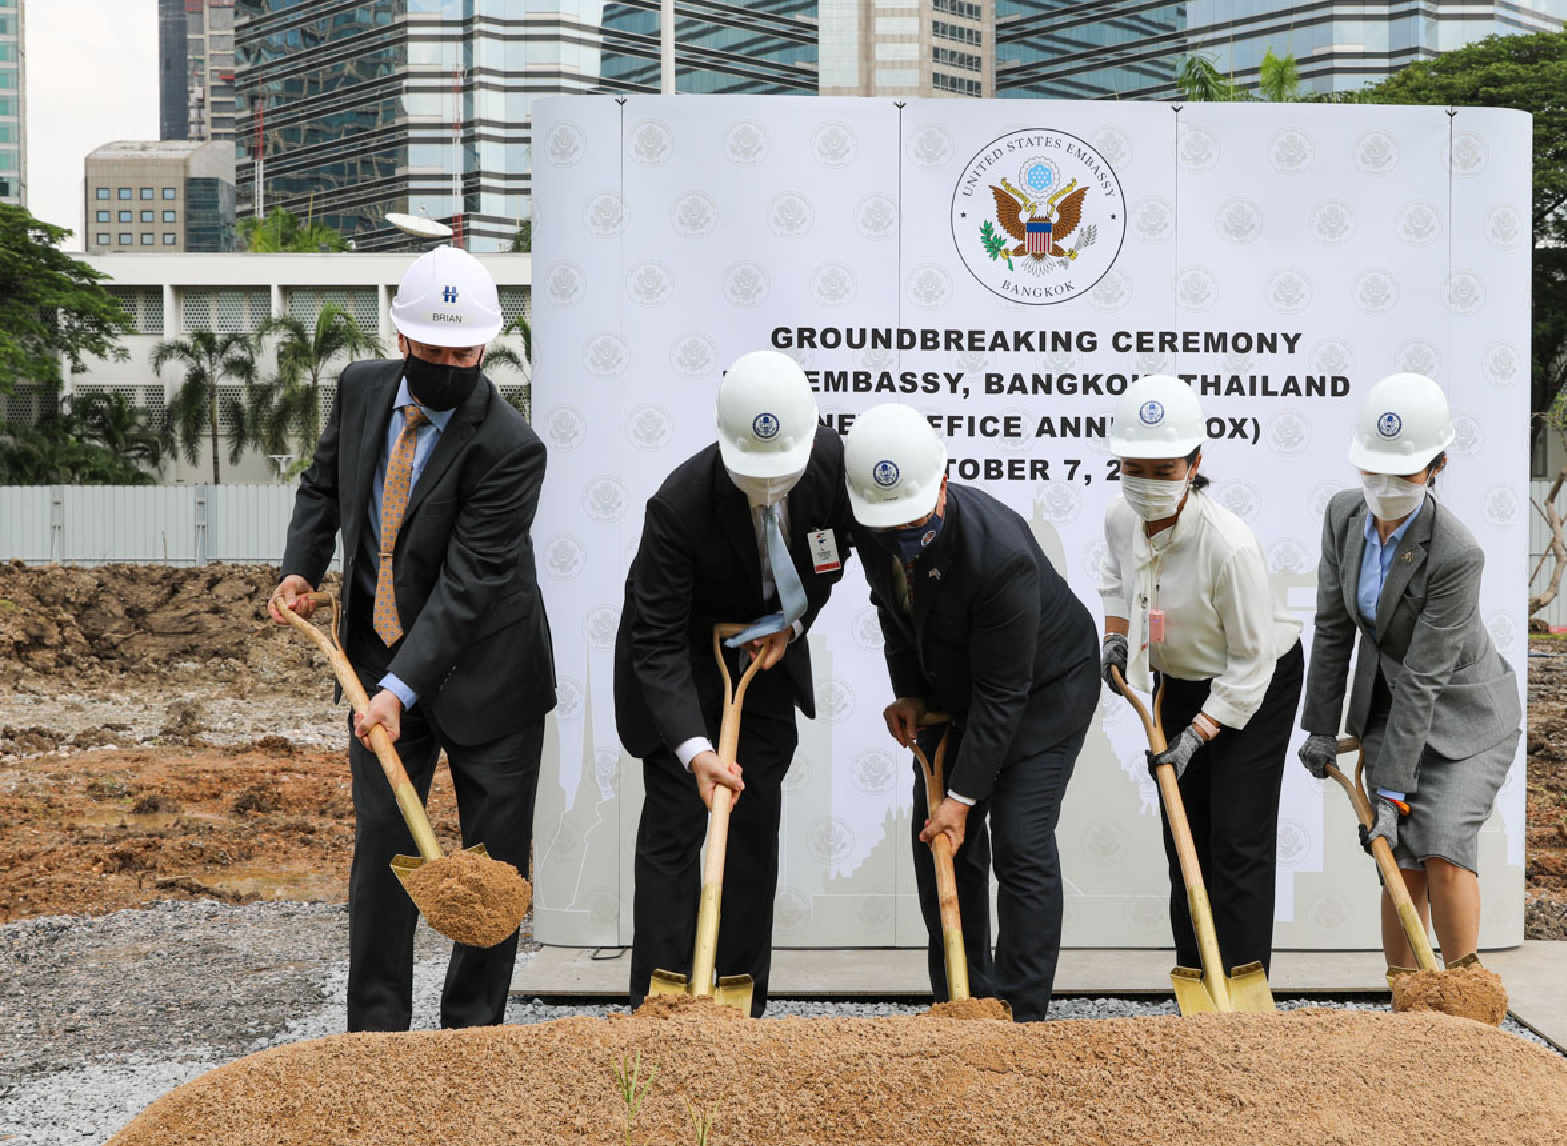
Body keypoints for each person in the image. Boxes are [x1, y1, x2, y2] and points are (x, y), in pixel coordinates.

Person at [266, 246, 556, 1033]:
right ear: (403, 341)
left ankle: (470, 1035)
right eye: (434, 352)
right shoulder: (361, 391)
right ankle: (378, 1033)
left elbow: (469, 584)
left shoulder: (510, 447)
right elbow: (324, 484)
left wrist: (401, 690)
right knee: (385, 845)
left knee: (492, 865)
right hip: (375, 658)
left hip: (489, 672)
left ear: (486, 348)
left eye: (465, 354)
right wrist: (302, 567)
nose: (450, 367)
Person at [612, 349, 853, 1015]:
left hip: (766, 663)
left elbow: (836, 553)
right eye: (756, 477)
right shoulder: (679, 505)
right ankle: (660, 1004)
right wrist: (696, 750)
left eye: (785, 474)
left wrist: (793, 624)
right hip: (682, 666)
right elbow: (654, 640)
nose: (772, 487)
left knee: (752, 830)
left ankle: (740, 1001)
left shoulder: (830, 462)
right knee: (674, 830)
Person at [844, 403, 1097, 1021]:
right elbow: (895, 611)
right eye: (890, 525)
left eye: (914, 520)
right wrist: (909, 691)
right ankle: (962, 1003)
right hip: (954, 695)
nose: (902, 535)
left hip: (1044, 694)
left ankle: (1020, 1015)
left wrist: (960, 797)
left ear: (944, 482)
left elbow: (1004, 695)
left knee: (1019, 840)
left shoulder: (999, 555)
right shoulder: (874, 526)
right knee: (939, 843)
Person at [1297, 372, 1523, 980]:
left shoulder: (1455, 551)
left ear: (1439, 465)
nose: (1386, 486)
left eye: (1406, 473)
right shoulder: (1344, 516)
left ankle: (1468, 1000)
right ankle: (1410, 1005)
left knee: (1443, 847)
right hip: (1386, 707)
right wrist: (1319, 727)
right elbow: (1332, 628)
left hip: (1466, 718)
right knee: (1400, 860)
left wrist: (1391, 791)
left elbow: (1425, 677)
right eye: (1373, 471)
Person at [1097, 376, 1303, 980]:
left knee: (1235, 838)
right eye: (1134, 467)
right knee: (1183, 832)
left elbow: (1252, 659)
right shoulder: (1120, 517)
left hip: (1254, 682)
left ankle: (1240, 982)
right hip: (1177, 680)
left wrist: (1200, 733)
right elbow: (1116, 579)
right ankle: (1196, 974)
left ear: (1194, 464)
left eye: (1164, 470)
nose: (1147, 482)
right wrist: (1114, 635)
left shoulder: (1227, 546)